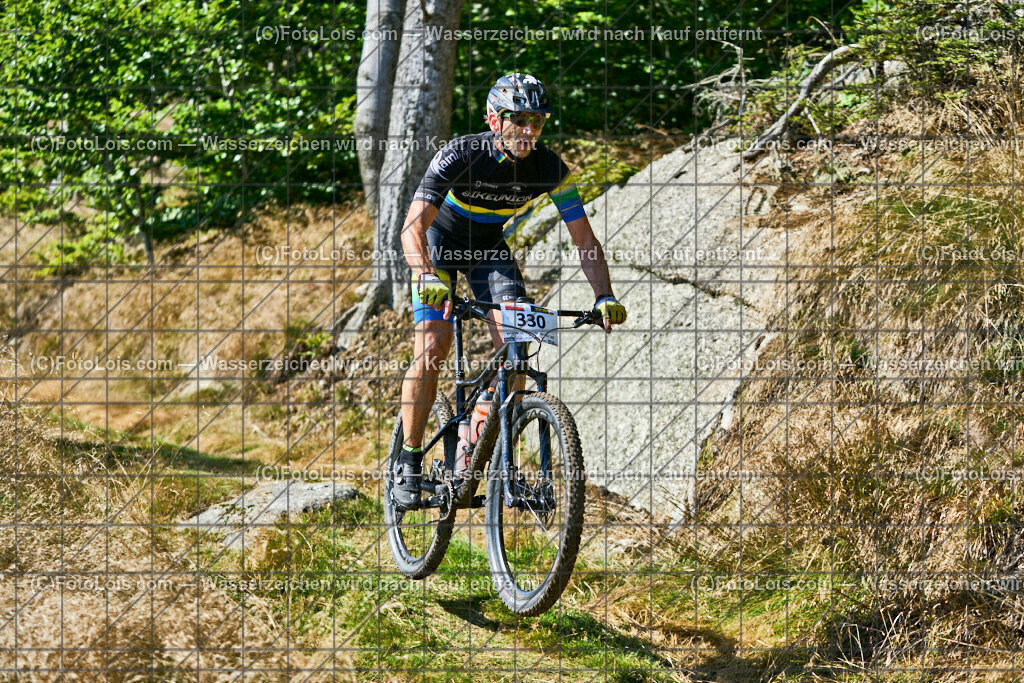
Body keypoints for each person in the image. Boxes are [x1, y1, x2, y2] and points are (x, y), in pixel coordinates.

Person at [393, 72, 627, 508]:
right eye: (517, 119)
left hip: (488, 251)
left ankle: (472, 441)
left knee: (517, 351)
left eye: (536, 121)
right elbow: (412, 229)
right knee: (433, 347)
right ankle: (407, 462)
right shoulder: (460, 154)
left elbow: (585, 242)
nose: (528, 130)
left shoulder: (551, 168)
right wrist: (426, 276)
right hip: (439, 247)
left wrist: (604, 297)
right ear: (493, 119)